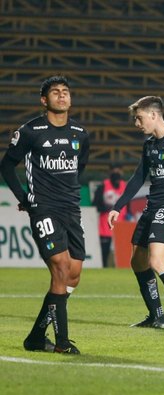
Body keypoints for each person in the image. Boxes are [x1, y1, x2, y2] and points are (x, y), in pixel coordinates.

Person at [0, 75, 90, 354]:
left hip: (71, 209)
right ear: (44, 100)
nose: (62, 96)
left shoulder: (80, 133)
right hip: (44, 209)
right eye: (55, 92)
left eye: (66, 92)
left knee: (73, 274)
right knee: (61, 267)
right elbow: (6, 167)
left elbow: (79, 167)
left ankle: (36, 338)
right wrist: (26, 199)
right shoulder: (30, 131)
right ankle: (62, 342)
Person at [107, 96, 164, 332]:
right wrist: (118, 206)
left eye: (139, 118)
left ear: (153, 115)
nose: (137, 124)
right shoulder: (149, 145)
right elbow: (138, 177)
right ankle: (157, 316)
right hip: (151, 207)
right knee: (137, 261)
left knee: (157, 260)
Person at [92, 163, 128, 267]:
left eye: (118, 170)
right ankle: (104, 267)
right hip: (105, 225)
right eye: (114, 170)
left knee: (123, 253)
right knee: (105, 251)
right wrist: (105, 208)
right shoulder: (103, 186)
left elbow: (129, 205)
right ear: (109, 172)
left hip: (121, 225)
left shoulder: (125, 186)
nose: (116, 173)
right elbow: (95, 204)